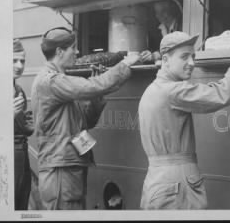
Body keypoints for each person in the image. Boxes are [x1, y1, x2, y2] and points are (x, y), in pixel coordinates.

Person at [138, 31, 230, 209]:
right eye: (184, 57)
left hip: (158, 180)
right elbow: (222, 94)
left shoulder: (153, 90)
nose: (192, 63)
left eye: (193, 56)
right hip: (178, 183)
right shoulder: (171, 91)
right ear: (165, 60)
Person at [31, 27, 140, 210]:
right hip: (61, 172)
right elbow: (92, 86)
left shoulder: (60, 82)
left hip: (67, 169)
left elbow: (86, 122)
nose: (77, 52)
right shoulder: (51, 82)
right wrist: (125, 65)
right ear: (59, 52)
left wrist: (95, 97)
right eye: (73, 48)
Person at [13, 38, 35, 210]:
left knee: (22, 202)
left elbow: (25, 126)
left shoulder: (19, 90)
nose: (20, 66)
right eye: (14, 60)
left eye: (22, 61)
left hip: (22, 154)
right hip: (8, 156)